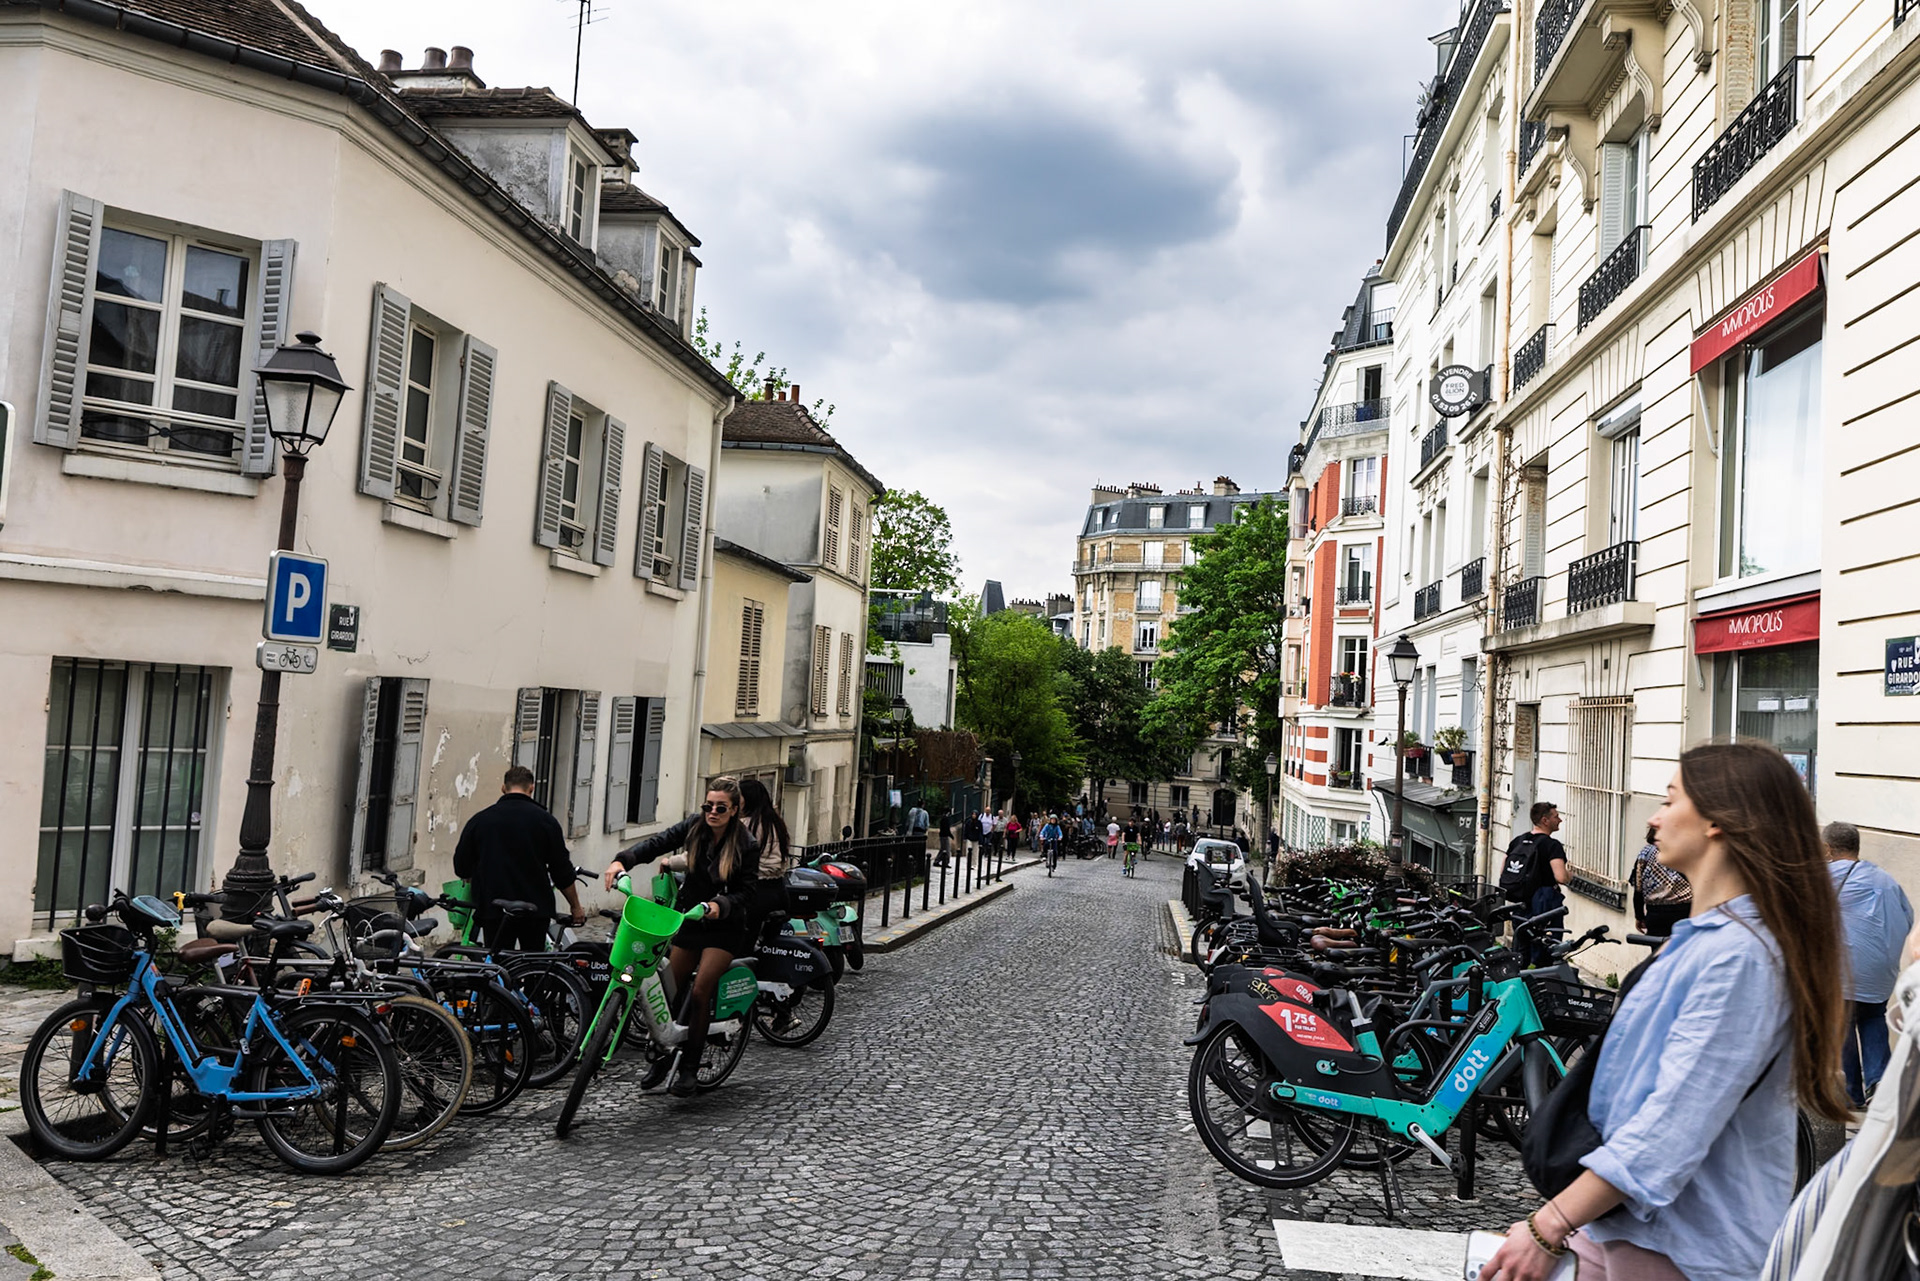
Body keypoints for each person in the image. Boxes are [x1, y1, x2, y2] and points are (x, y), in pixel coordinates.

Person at [1481, 741, 1849, 1281]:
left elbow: (1672, 1125)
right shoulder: (1708, 938)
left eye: (1671, 800)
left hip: (1684, 1249)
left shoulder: (1740, 956)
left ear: (1717, 821)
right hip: (1627, 1232)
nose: (1654, 818)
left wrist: (1550, 1224)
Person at [600, 777, 761, 1097]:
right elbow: (657, 843)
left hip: (724, 927)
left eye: (720, 808)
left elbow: (748, 891)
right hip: (690, 920)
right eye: (708, 805)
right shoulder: (694, 827)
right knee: (669, 990)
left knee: (701, 991)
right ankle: (664, 1052)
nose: (712, 812)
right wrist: (622, 860)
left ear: (734, 810)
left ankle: (689, 1068)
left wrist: (721, 904)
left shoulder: (747, 844)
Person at [1824, 819, 1915, 1106]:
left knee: (1842, 1021)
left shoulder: (1822, 877)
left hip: (1842, 969)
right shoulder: (1884, 879)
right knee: (1873, 1016)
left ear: (1827, 848)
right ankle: (1879, 1083)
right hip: (1880, 970)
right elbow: (1908, 917)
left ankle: (1850, 1092)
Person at [452, 765, 584, 951]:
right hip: (535, 908)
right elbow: (561, 871)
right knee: (533, 962)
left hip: (494, 907)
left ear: (503, 788)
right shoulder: (546, 821)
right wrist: (575, 906)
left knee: (498, 960)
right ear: (531, 788)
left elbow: (461, 866)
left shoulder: (480, 820)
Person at [1500, 801, 1569, 966]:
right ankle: (1542, 980)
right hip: (1545, 906)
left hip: (1520, 906)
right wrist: (1570, 875)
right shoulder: (1552, 845)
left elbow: (1503, 871)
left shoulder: (1518, 841)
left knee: (1521, 952)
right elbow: (1561, 877)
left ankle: (1519, 979)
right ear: (1545, 820)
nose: (1560, 820)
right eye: (1556, 817)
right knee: (1547, 953)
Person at [736, 776, 793, 926]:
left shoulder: (744, 825)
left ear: (747, 800)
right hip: (779, 890)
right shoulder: (776, 822)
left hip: (754, 891)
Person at [1630, 824, 1692, 937]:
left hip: (1656, 914)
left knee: (1658, 946)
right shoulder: (1682, 850)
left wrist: (1639, 916)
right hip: (1685, 911)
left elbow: (1638, 888)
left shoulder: (1645, 853)